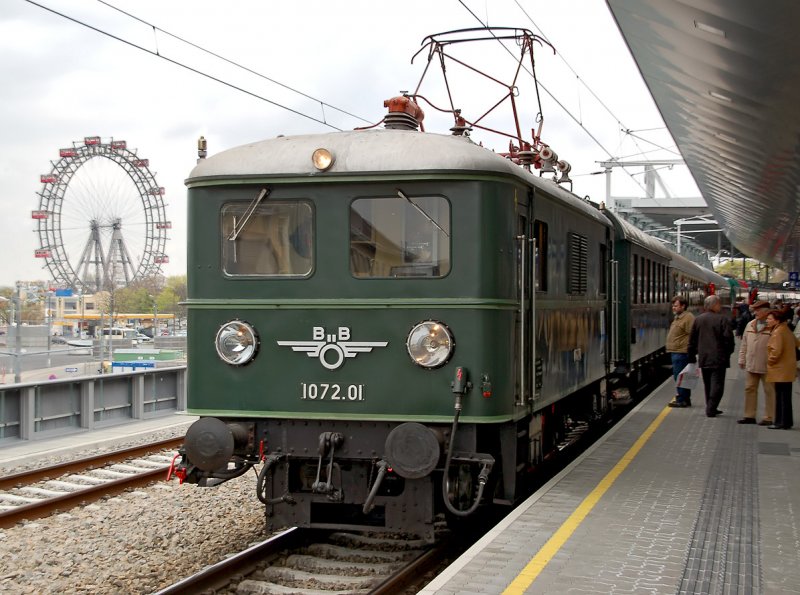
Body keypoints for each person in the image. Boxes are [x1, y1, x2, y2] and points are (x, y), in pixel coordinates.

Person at [688, 294, 735, 418]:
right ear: (714, 305)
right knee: (718, 384)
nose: (720, 307)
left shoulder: (698, 319)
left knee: (707, 383)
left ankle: (710, 406)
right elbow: (729, 339)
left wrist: (691, 355)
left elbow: (692, 339)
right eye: (719, 304)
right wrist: (728, 353)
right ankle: (711, 407)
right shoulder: (722, 320)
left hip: (704, 357)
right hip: (719, 358)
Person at [736, 300, 775, 424]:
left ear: (766, 312)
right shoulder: (750, 324)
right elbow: (744, 344)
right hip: (751, 363)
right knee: (749, 389)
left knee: (770, 391)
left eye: (758, 311)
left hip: (768, 365)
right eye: (755, 310)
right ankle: (749, 415)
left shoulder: (773, 326)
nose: (755, 313)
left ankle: (770, 417)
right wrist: (741, 358)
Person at [765, 307, 798, 430]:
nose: (767, 321)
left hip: (780, 368)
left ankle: (780, 421)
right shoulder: (786, 329)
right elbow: (796, 343)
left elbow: (776, 351)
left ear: (776, 320)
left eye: (769, 319)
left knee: (780, 396)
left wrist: (769, 361)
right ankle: (786, 421)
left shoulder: (777, 332)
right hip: (787, 368)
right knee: (786, 396)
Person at [667, 296, 695, 407]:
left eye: (676, 306)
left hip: (681, 352)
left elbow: (692, 334)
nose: (673, 308)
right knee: (681, 376)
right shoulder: (678, 317)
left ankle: (682, 399)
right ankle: (684, 398)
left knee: (679, 376)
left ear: (683, 306)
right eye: (673, 306)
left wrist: (691, 350)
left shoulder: (688, 318)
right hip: (677, 351)